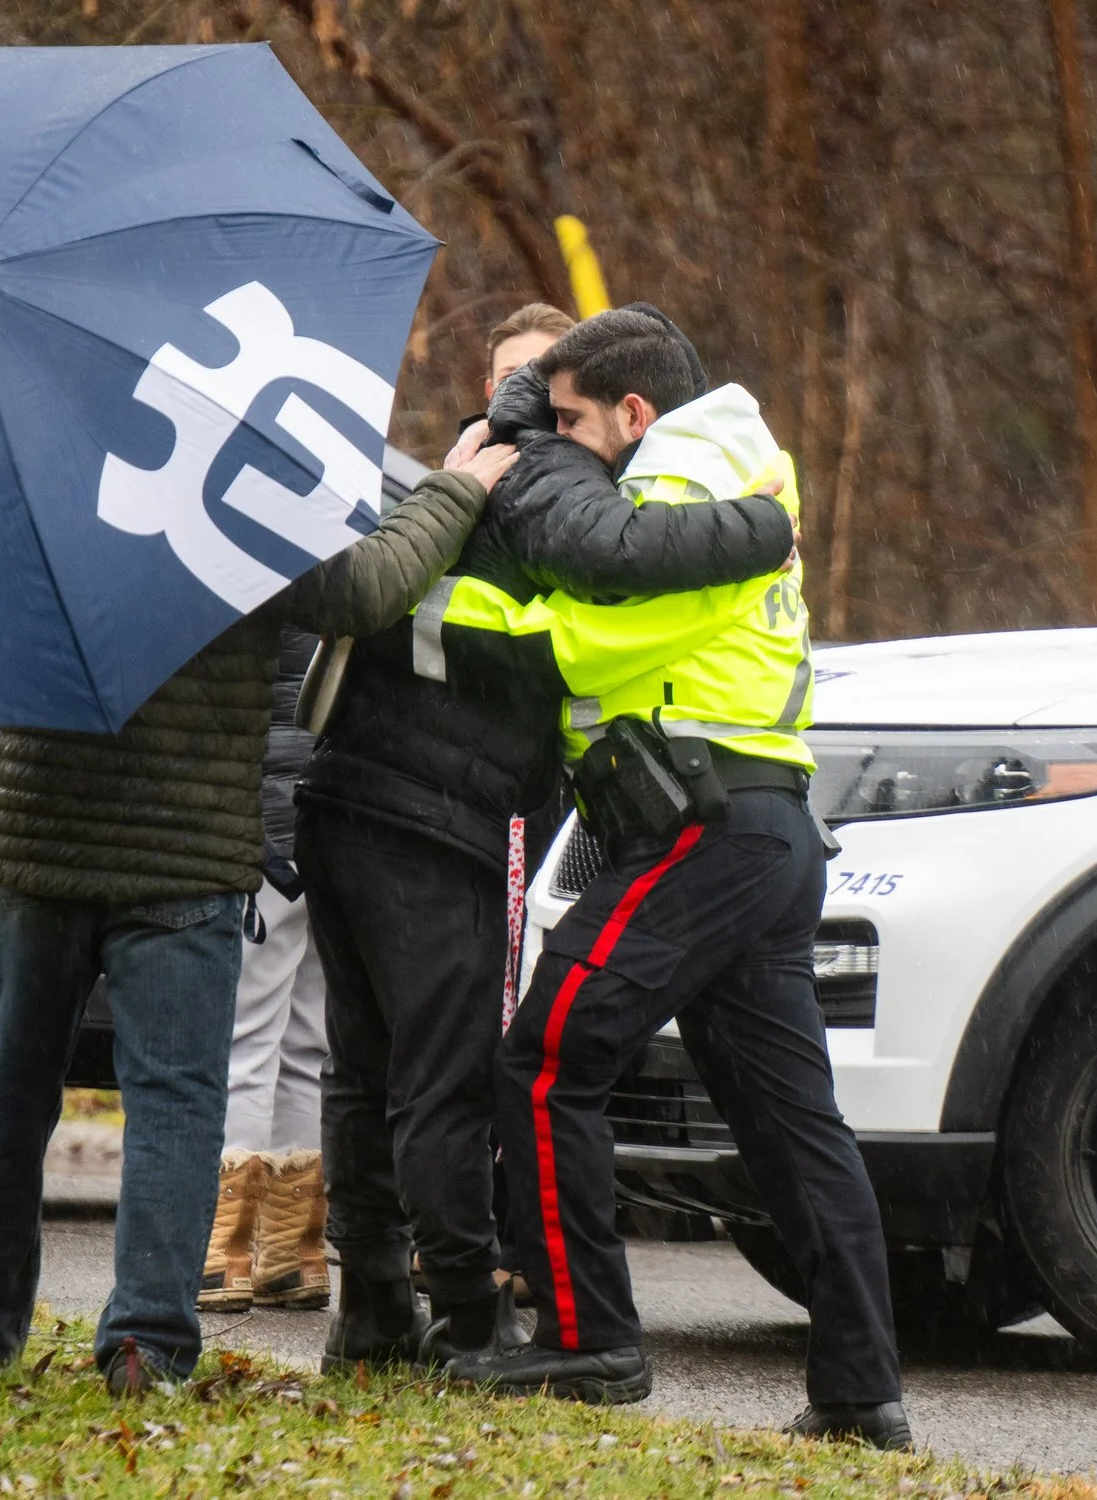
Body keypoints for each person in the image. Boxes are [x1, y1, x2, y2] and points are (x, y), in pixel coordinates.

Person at [0, 443, 515, 1392]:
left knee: (5, 1096)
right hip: (182, 848)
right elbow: (369, 588)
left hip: (36, 835)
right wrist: (457, 487)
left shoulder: (38, 463)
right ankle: (145, 1345)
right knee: (174, 1104)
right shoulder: (234, 486)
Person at [437, 310, 910, 1450]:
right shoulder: (724, 459)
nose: (559, 443)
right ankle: (860, 1395)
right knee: (794, 1128)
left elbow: (606, 618)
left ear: (635, 414)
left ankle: (587, 1341)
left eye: (571, 423)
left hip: (708, 826)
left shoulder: (692, 463)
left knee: (548, 1059)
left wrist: (478, 605)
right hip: (756, 829)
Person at [295, 302, 797, 1373]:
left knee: (367, 1067)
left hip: (350, 799)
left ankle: (375, 1303)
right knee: (443, 1075)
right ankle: (472, 1313)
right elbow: (622, 552)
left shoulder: (447, 481)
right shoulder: (535, 482)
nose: (547, 424)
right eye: (531, 394)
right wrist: (767, 525)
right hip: (433, 813)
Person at [200, 628, 329, 1314]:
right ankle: (295, 1255)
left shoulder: (256, 557)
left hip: (262, 829)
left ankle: (223, 1253)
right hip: (326, 821)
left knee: (244, 1040)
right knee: (308, 1044)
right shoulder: (357, 534)